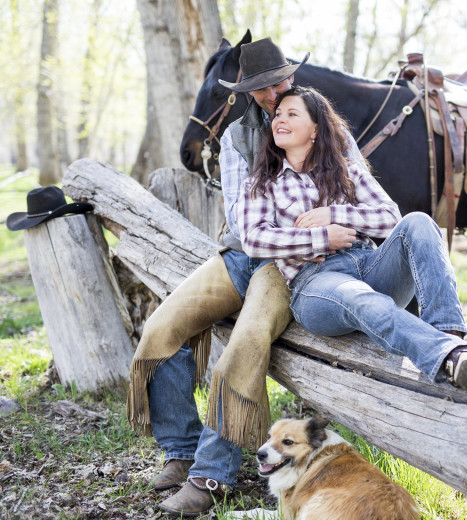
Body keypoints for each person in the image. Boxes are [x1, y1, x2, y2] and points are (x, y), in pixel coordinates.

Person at [126, 38, 364, 517]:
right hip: (246, 254)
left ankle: (212, 474)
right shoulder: (237, 138)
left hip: (290, 265)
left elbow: (357, 195)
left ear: (290, 77)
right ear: (246, 93)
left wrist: (322, 229)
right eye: (259, 88)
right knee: (161, 329)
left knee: (246, 342)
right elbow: (244, 226)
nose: (272, 94)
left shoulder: (323, 126)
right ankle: (182, 448)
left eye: (277, 82)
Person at [238, 85, 467, 393]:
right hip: (315, 283)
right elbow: (255, 240)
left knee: (420, 222)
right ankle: (448, 354)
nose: (279, 119)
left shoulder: (346, 171)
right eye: (278, 114)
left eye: (292, 114)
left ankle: (452, 338)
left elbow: (390, 217)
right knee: (359, 296)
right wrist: (323, 238)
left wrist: (335, 215)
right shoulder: (261, 183)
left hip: (370, 263)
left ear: (315, 129)